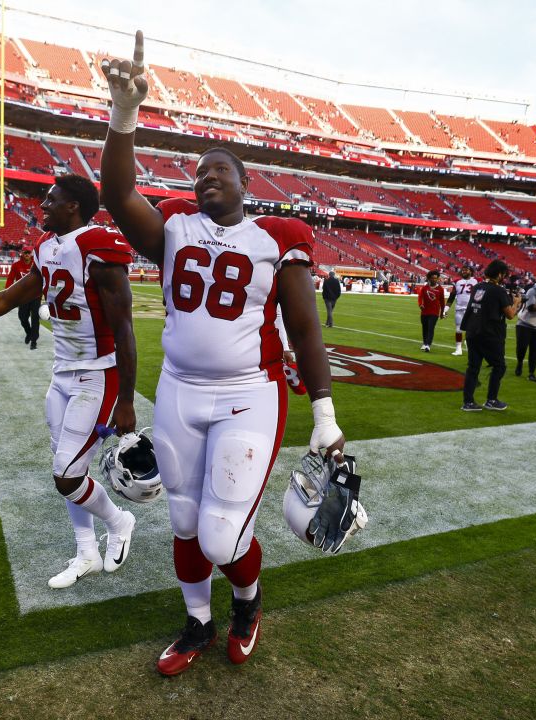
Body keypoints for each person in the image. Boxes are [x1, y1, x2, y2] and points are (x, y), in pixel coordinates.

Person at [100, 32, 348, 677]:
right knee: (184, 522)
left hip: (249, 393)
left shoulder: (276, 237)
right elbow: (119, 196)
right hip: (180, 389)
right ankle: (197, 622)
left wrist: (323, 410)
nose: (206, 176)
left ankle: (247, 602)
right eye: (199, 171)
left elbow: (302, 324)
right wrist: (123, 118)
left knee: (219, 534)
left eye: (220, 170)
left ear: (245, 182)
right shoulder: (174, 228)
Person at [0, 174, 139, 589]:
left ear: (73, 206)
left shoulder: (97, 245)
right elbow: (9, 297)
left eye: (51, 200)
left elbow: (125, 327)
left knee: (67, 473)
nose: (42, 207)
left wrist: (126, 398)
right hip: (61, 373)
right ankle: (85, 552)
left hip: (98, 373)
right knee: (69, 467)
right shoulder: (47, 246)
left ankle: (120, 520)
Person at [459, 259, 517, 411]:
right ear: (499, 274)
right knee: (499, 366)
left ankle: (468, 402)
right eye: (503, 274)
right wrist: (516, 302)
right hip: (490, 333)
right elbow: (510, 314)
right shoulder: (498, 290)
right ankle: (491, 399)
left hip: (473, 331)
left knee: (473, 367)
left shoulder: (478, 286)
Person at [6, 247, 41, 349]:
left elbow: (43, 279)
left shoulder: (37, 265)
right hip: (22, 296)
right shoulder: (16, 265)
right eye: (25, 252)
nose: (27, 254)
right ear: (22, 253)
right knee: (22, 318)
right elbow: (10, 279)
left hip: (35, 295)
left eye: (28, 252)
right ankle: (29, 332)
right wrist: (7, 293)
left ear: (31, 254)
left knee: (35, 319)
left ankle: (34, 341)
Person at [447, 266, 477, 355]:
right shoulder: (457, 281)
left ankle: (469, 344)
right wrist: (446, 308)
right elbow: (452, 295)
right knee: (458, 330)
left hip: (471, 309)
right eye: (462, 270)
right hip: (459, 308)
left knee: (471, 330)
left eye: (466, 269)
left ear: (471, 271)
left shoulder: (476, 280)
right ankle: (458, 349)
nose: (463, 271)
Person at [417, 270, 445, 352]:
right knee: (425, 328)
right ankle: (424, 343)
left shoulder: (440, 289)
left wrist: (442, 312)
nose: (434, 280)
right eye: (432, 278)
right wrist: (420, 305)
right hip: (424, 311)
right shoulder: (425, 287)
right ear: (429, 278)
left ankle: (428, 345)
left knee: (431, 328)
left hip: (434, 312)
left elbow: (442, 302)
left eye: (436, 278)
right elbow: (420, 297)